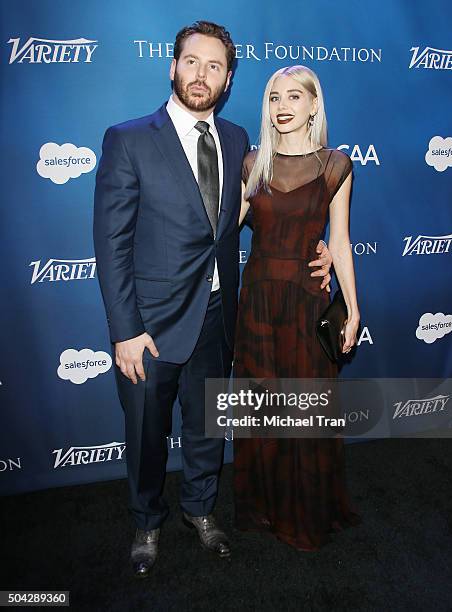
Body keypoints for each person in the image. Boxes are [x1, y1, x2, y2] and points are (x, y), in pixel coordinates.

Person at [94, 22, 332, 577]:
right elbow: (111, 244)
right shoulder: (128, 139)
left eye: (215, 66)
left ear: (227, 80)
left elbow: (265, 211)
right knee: (146, 435)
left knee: (205, 429)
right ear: (171, 66)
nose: (202, 75)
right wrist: (124, 330)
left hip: (220, 318)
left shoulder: (238, 142)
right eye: (192, 62)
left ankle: (200, 512)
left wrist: (314, 244)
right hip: (149, 327)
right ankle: (146, 522)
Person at [234, 65, 362, 551]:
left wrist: (352, 307)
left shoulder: (336, 165)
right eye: (273, 98)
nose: (282, 106)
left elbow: (342, 242)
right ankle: (266, 508)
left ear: (313, 105)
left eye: (293, 97)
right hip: (259, 302)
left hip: (308, 302)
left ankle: (306, 514)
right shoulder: (252, 165)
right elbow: (222, 231)